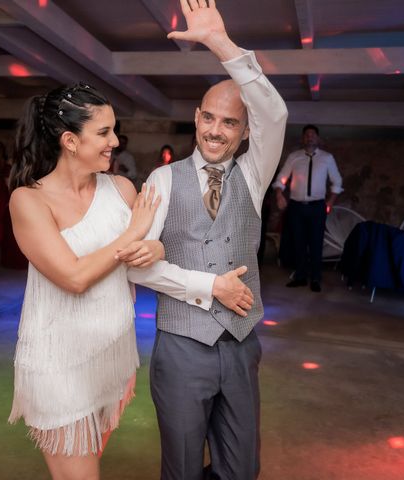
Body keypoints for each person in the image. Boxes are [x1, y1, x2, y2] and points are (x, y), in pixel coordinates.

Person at [127, 1, 288, 478]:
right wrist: (209, 285)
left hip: (240, 345)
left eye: (231, 123)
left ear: (243, 133)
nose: (217, 131)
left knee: (241, 469)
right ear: (197, 118)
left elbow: (274, 114)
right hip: (181, 348)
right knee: (181, 468)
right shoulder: (161, 179)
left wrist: (221, 44)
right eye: (210, 119)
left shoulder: (254, 174)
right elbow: (137, 263)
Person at [7, 84, 164, 479]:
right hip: (59, 364)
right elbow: (73, 277)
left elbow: (142, 259)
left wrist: (156, 247)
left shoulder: (122, 189)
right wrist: (135, 233)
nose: (115, 141)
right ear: (70, 141)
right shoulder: (29, 201)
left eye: (114, 130)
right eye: (104, 133)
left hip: (110, 357)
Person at [273, 124, 343, 292]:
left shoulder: (327, 158)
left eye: (313, 135)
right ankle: (300, 277)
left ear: (317, 139)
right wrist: (279, 194)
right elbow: (281, 178)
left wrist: (331, 201)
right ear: (303, 139)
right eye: (307, 135)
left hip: (317, 206)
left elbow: (337, 181)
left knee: (316, 242)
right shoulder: (294, 157)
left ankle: (316, 278)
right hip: (296, 206)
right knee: (298, 242)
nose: (310, 137)